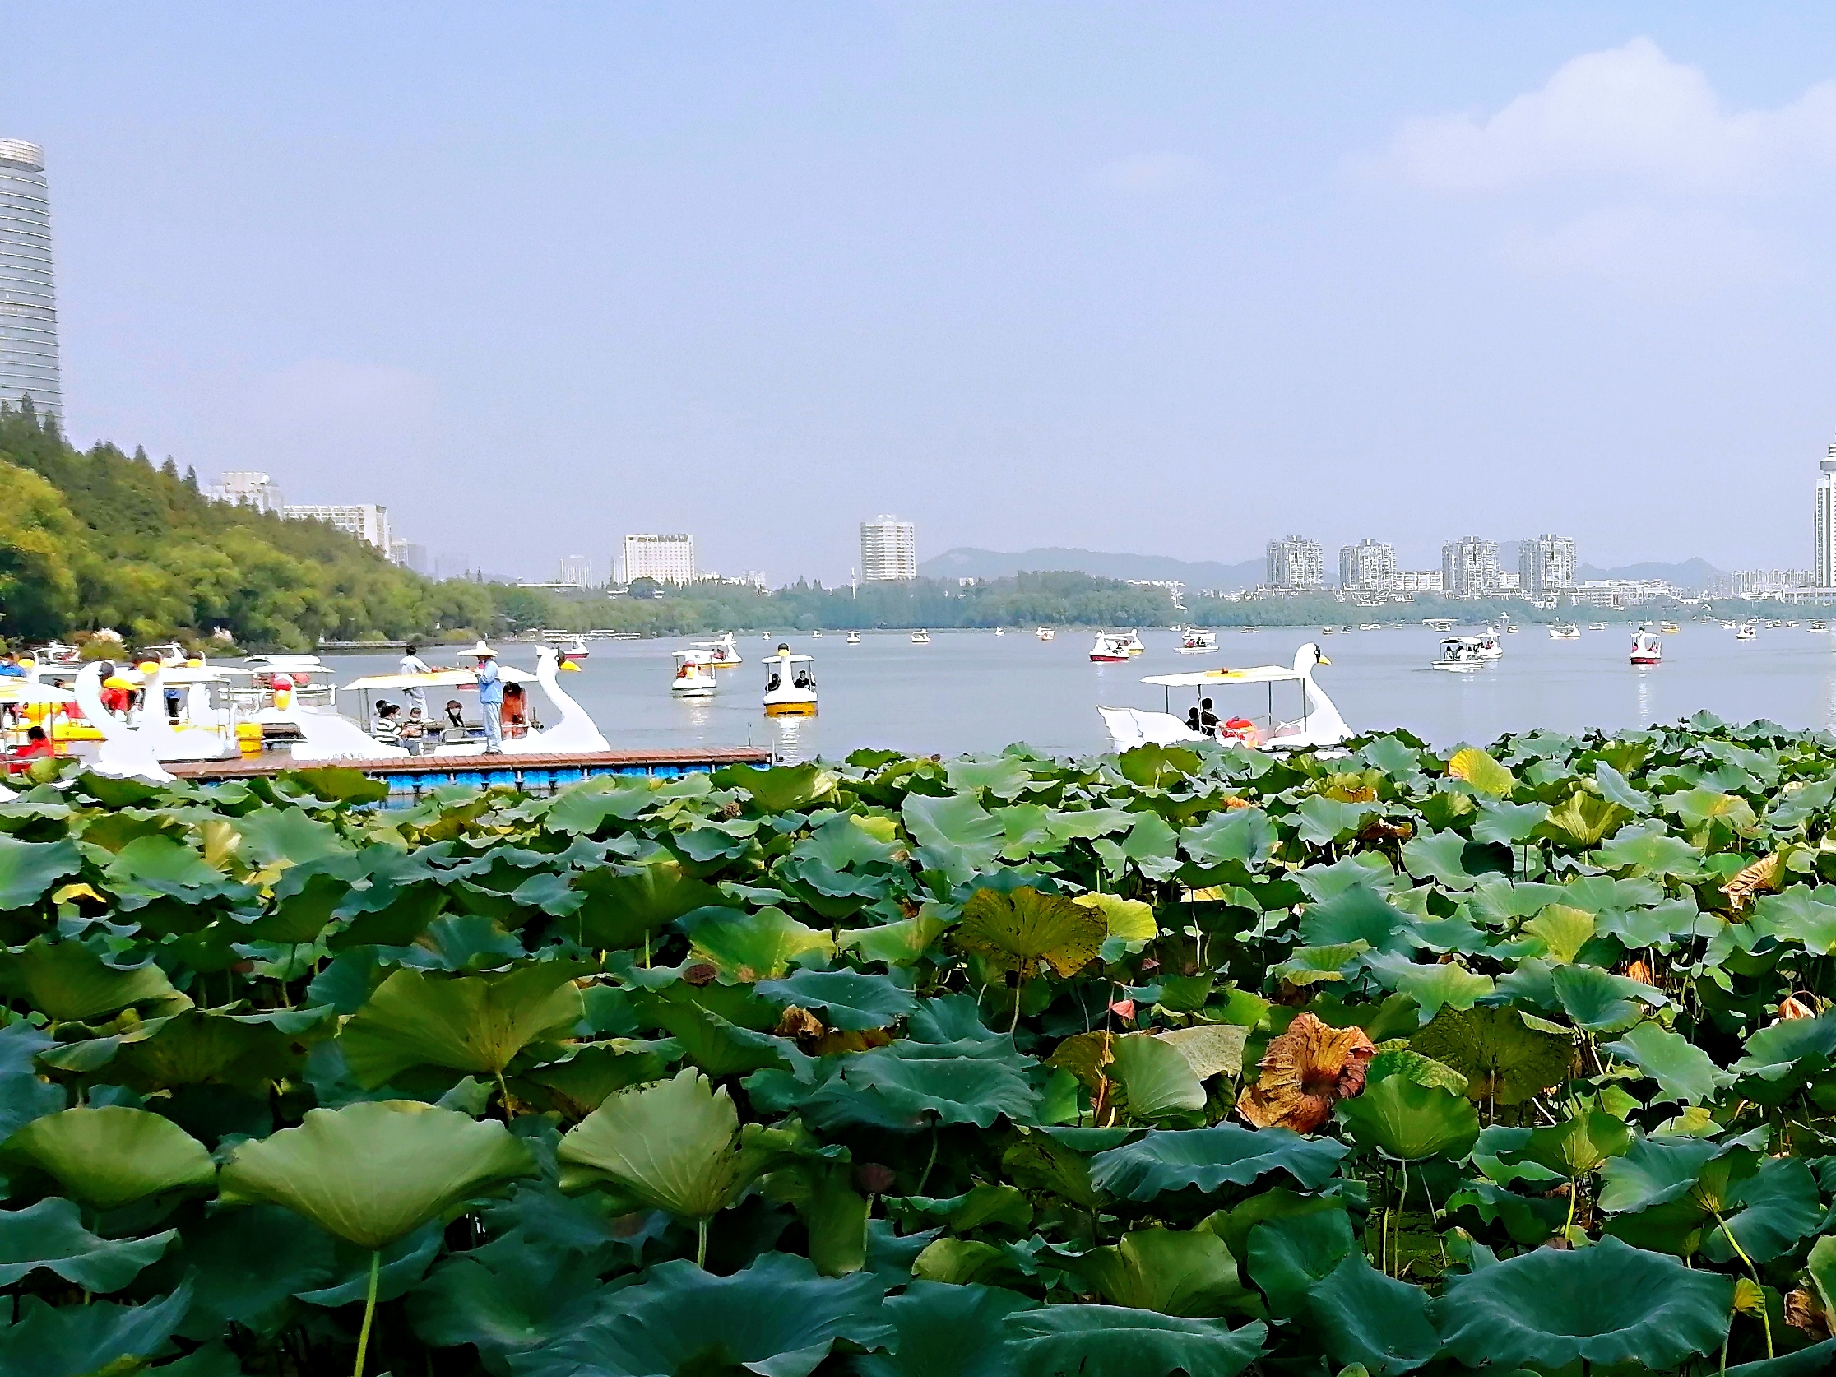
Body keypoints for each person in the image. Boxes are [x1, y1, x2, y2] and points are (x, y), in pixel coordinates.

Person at [472, 641, 504, 753]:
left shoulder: (491, 665)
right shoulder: (487, 665)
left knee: (492, 723)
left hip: (492, 697)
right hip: (487, 697)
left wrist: (478, 675)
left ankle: (495, 747)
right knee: (488, 724)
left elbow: (486, 679)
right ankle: (491, 747)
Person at [399, 643, 432, 716]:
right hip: (414, 683)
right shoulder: (414, 660)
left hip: (404, 684)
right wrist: (432, 671)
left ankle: (412, 716)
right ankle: (424, 717)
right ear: (414, 652)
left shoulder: (403, 661)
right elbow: (425, 668)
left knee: (409, 702)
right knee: (421, 701)